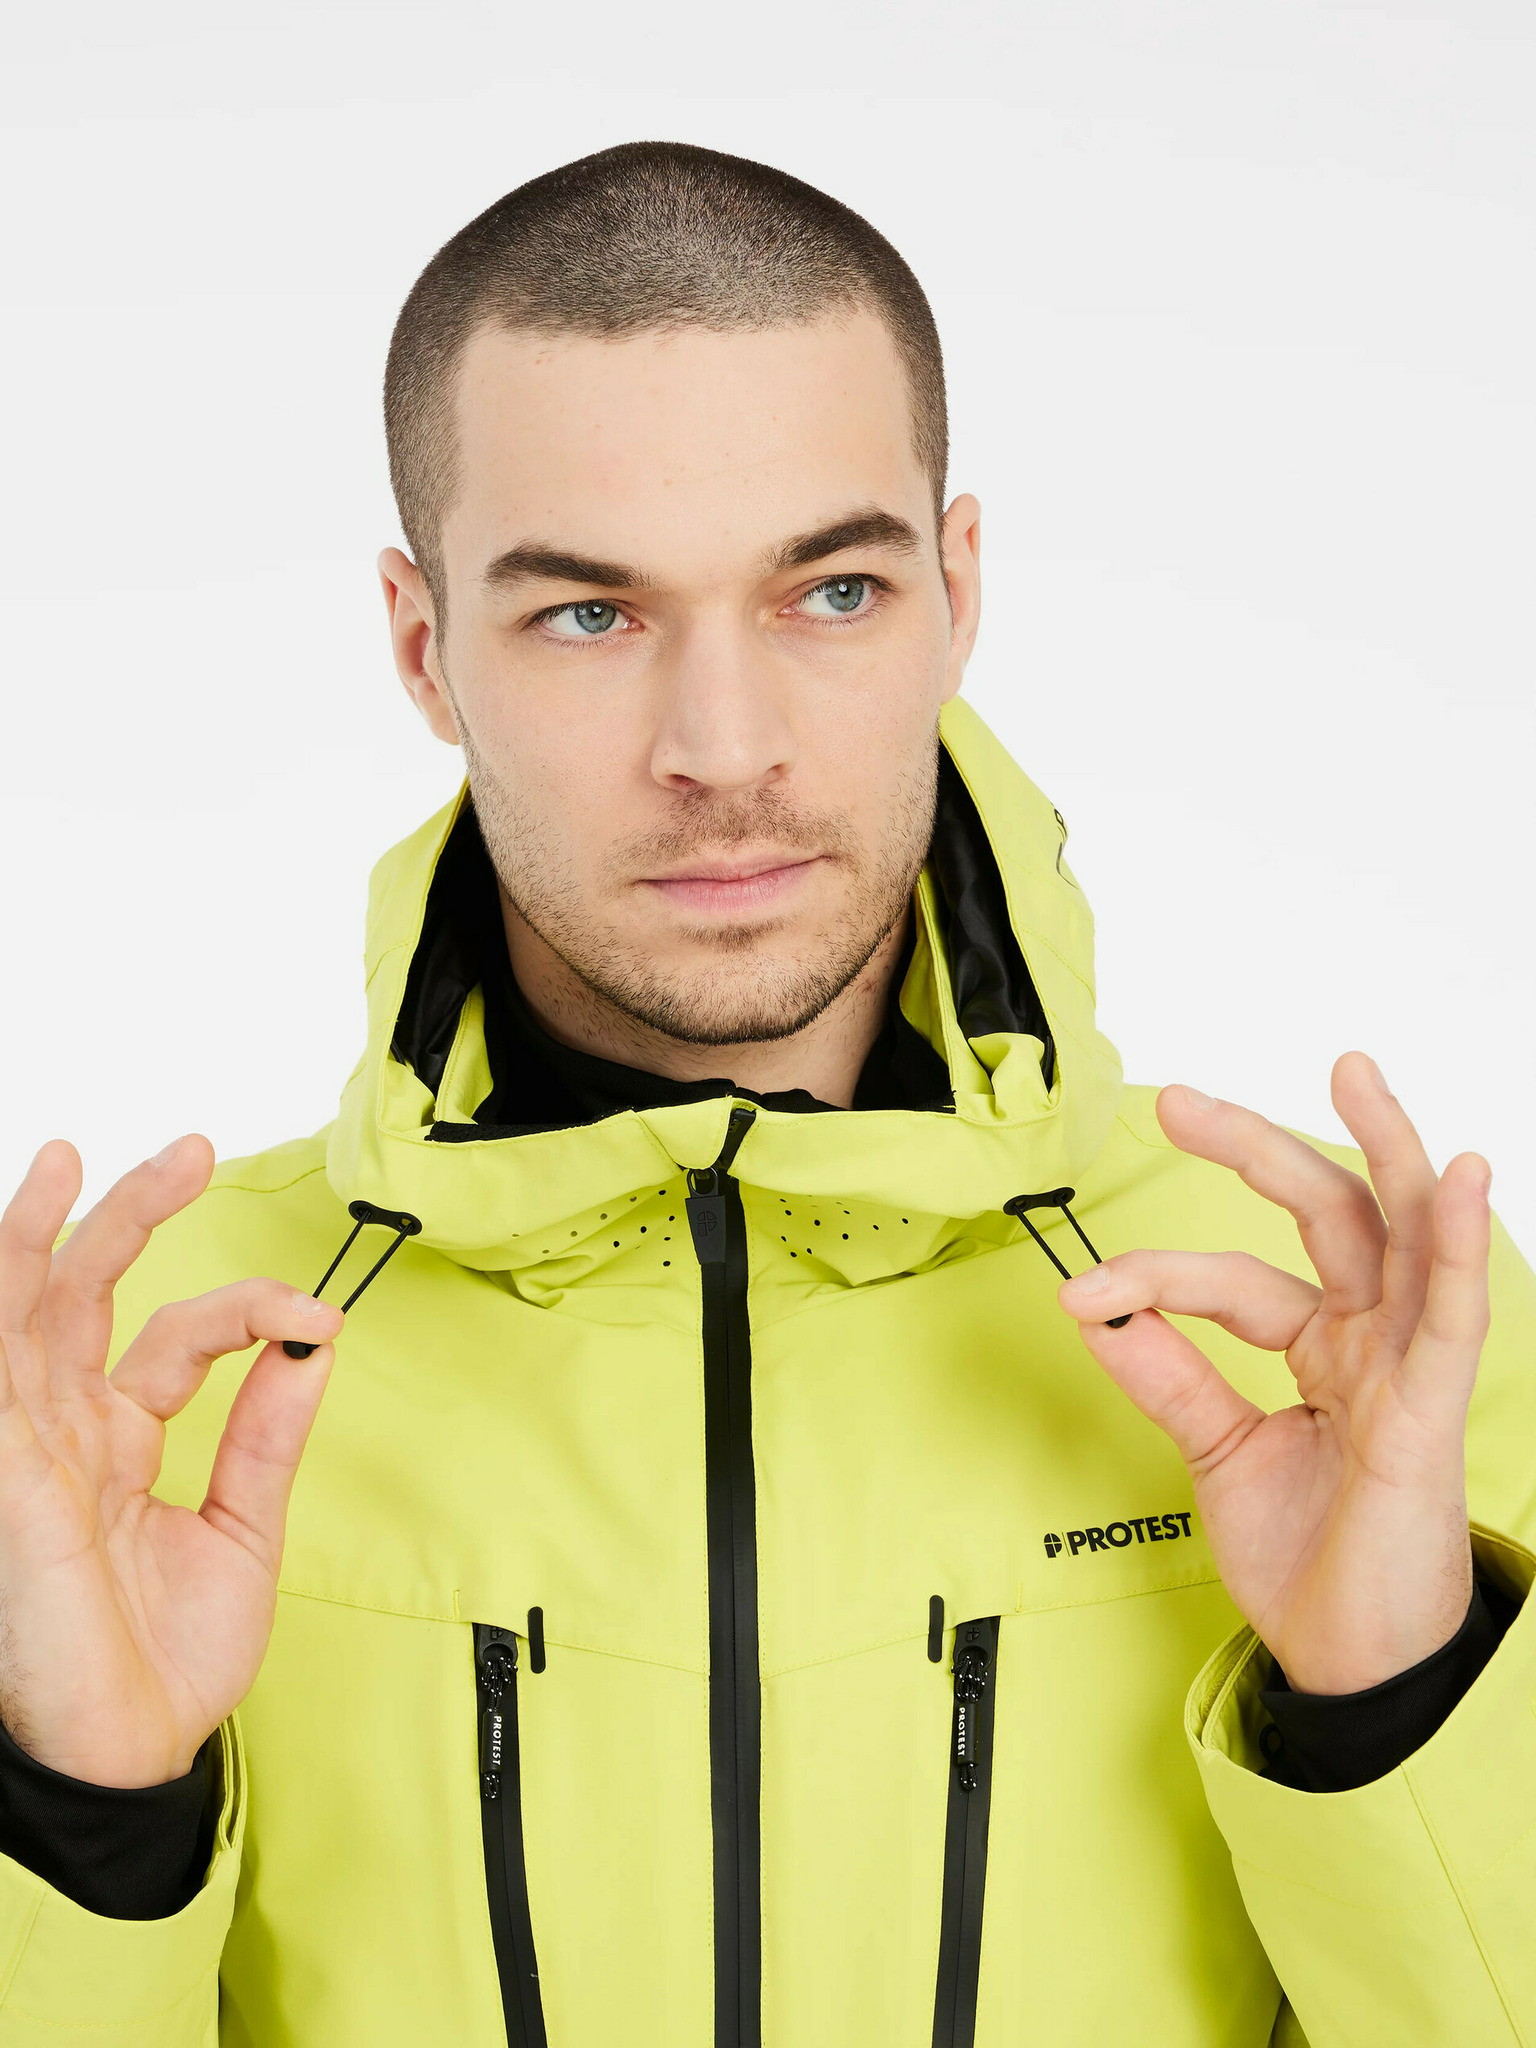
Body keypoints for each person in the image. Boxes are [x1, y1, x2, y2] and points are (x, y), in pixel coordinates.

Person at [0, 141, 1530, 2048]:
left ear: (956, 591)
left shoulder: (1344, 1329)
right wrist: (87, 1814)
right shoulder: (128, 1384)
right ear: (422, 647)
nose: (722, 751)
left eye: (832, 591)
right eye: (590, 615)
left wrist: (1396, 1696)